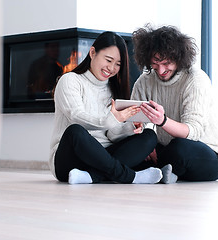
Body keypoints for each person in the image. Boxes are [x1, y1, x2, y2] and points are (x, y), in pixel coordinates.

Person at [49, 31, 163, 184]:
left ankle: (91, 176)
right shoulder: (69, 80)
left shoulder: (112, 89)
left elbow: (111, 135)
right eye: (108, 60)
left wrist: (129, 127)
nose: (111, 68)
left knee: (149, 136)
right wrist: (114, 118)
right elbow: (76, 117)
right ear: (92, 52)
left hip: (103, 157)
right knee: (75, 131)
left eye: (118, 64)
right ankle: (130, 176)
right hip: (70, 159)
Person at [131, 25, 218, 183]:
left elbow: (193, 133)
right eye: (155, 63)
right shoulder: (144, 81)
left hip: (204, 152)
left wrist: (162, 121)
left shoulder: (195, 79)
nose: (161, 69)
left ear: (179, 58)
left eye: (166, 63)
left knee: (179, 148)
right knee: (132, 146)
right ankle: (167, 172)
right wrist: (144, 141)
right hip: (164, 149)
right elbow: (134, 121)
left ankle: (161, 171)